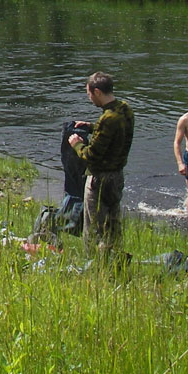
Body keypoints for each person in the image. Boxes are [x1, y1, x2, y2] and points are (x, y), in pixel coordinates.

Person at [68, 72, 134, 254]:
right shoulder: (125, 109)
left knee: (95, 226)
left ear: (97, 91)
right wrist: (90, 127)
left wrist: (76, 144)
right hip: (117, 176)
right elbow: (113, 132)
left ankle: (95, 264)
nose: (89, 98)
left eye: (89, 94)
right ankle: (116, 257)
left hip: (100, 179)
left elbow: (90, 156)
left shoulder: (107, 119)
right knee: (113, 223)